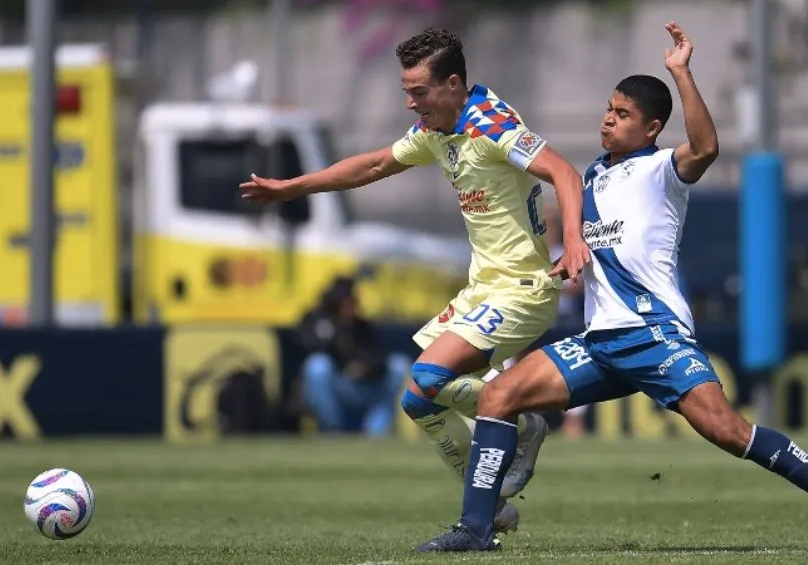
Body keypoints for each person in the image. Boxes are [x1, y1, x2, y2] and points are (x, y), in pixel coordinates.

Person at [416, 22, 808, 553]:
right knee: (498, 395)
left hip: (654, 336)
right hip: (601, 342)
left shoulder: (661, 170)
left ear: (651, 128)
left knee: (730, 433)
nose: (609, 117)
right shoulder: (591, 177)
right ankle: (475, 529)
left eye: (623, 114)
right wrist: (566, 262)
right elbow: (596, 243)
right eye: (609, 108)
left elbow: (707, 146)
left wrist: (682, 73)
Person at [240, 28, 591, 532]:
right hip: (482, 288)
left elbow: (564, 171)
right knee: (417, 400)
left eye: (418, 92)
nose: (410, 103)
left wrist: (574, 240)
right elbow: (376, 163)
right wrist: (294, 188)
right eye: (406, 91)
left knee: (430, 377)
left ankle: (520, 416)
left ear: (452, 84)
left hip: (523, 287)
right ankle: (491, 504)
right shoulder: (437, 129)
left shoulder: (490, 125)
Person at [296, 277, 410, 437]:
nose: (349, 306)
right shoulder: (315, 320)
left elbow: (379, 356)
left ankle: (374, 434)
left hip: (362, 386)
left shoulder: (361, 326)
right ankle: (333, 431)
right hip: (334, 387)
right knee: (317, 365)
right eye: (343, 301)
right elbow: (309, 347)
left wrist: (365, 366)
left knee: (399, 364)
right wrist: (336, 327)